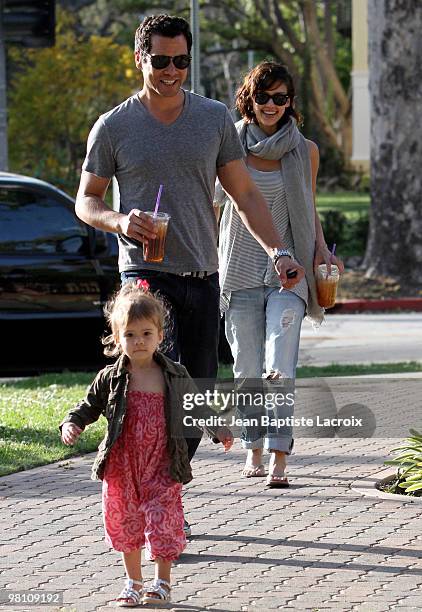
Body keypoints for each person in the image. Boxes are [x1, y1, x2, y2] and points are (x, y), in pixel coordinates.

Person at [75, 14, 304, 530]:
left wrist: (279, 251)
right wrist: (118, 219)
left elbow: (244, 194)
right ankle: (156, 506)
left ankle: (162, 491)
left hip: (202, 271)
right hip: (144, 273)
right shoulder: (113, 126)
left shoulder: (213, 118)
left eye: (181, 60)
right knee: (159, 383)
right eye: (162, 60)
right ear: (140, 59)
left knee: (195, 398)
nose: (173, 70)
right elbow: (86, 201)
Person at [59, 282, 233, 606]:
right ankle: (133, 581)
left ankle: (162, 581)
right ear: (116, 337)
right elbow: (88, 406)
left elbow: (196, 403)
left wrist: (218, 427)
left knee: (163, 518)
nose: (138, 341)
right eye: (130, 335)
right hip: (123, 465)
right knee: (125, 521)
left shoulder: (173, 374)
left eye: (146, 334)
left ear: (160, 335)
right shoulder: (110, 377)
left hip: (162, 462)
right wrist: (72, 423)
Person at [216, 61, 344, 488]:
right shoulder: (228, 141)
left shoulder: (304, 149)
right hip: (239, 269)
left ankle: (279, 456)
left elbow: (308, 207)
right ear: (249, 99)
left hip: (288, 275)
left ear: (290, 102)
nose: (271, 105)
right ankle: (252, 446)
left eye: (280, 98)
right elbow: (212, 206)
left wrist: (321, 250)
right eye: (263, 97)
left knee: (280, 364)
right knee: (248, 367)